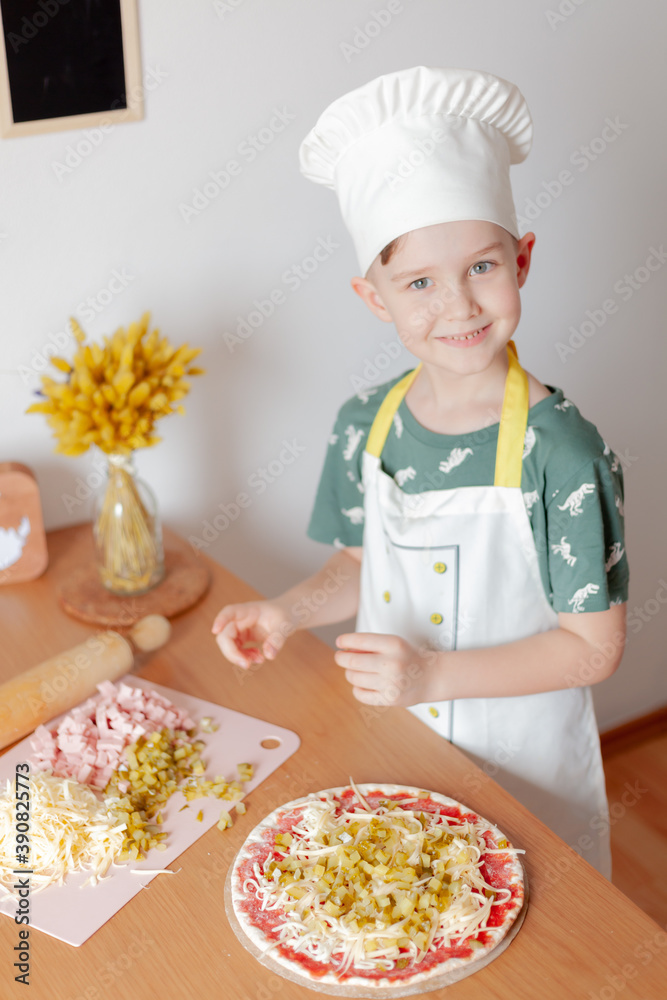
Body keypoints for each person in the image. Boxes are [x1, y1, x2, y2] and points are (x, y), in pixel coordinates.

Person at [212, 67, 628, 879]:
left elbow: (592, 652)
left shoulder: (563, 455)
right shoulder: (364, 424)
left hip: (530, 767)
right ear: (374, 298)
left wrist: (431, 674)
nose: (459, 306)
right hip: (398, 741)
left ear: (523, 259)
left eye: (481, 267)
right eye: (418, 283)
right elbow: (358, 565)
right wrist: (288, 612)